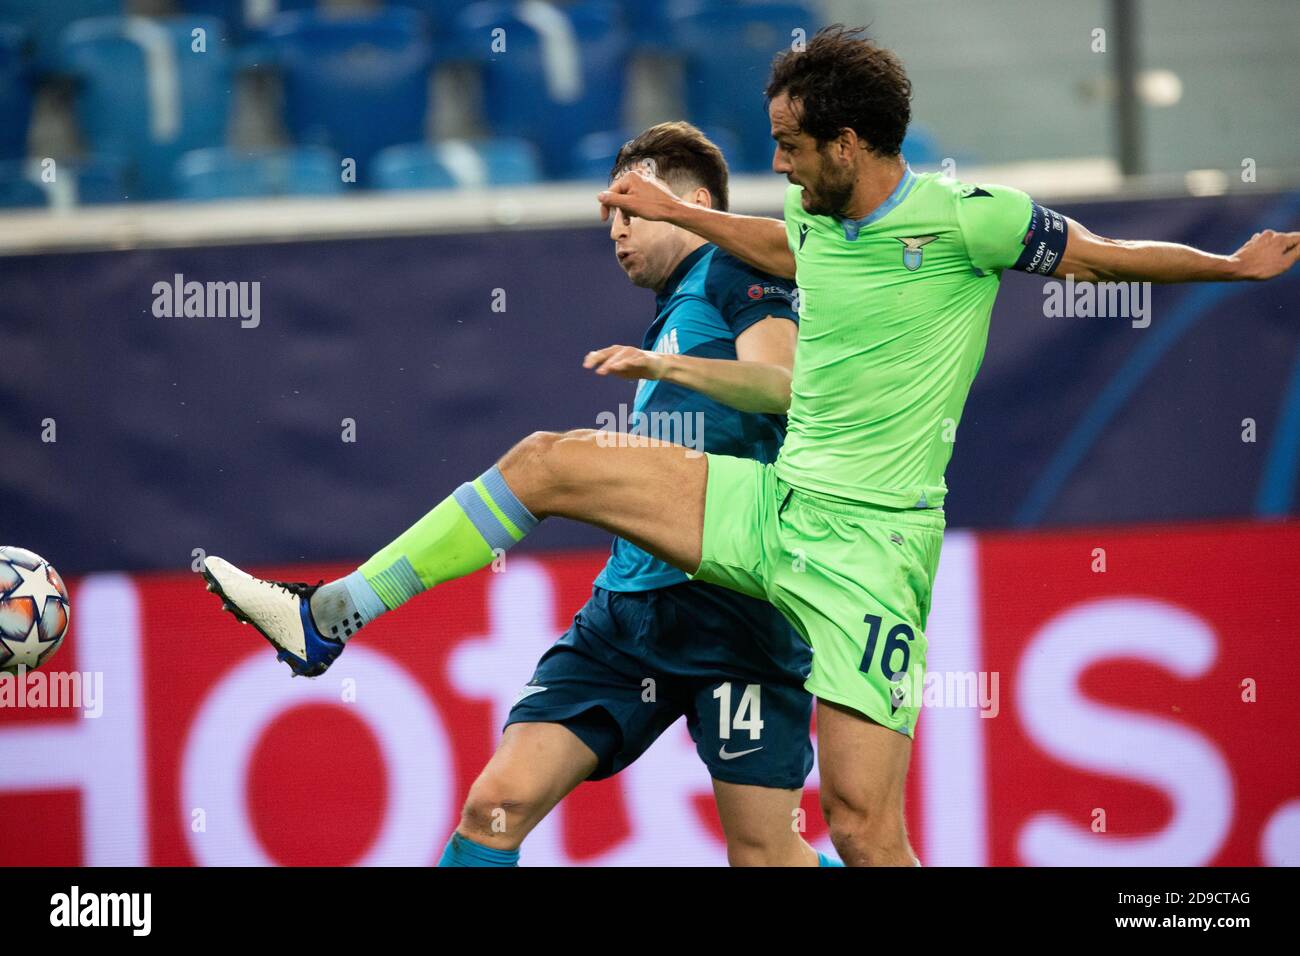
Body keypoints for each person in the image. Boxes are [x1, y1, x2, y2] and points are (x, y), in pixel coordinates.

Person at [203, 27, 1300, 867]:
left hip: (875, 550)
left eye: (788, 144)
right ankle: (326, 616)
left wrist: (1231, 268)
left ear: (849, 143)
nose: (776, 159)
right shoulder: (808, 220)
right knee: (547, 460)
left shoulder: (967, 219)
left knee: (866, 833)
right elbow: (782, 237)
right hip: (774, 510)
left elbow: (1106, 258)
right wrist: (675, 209)